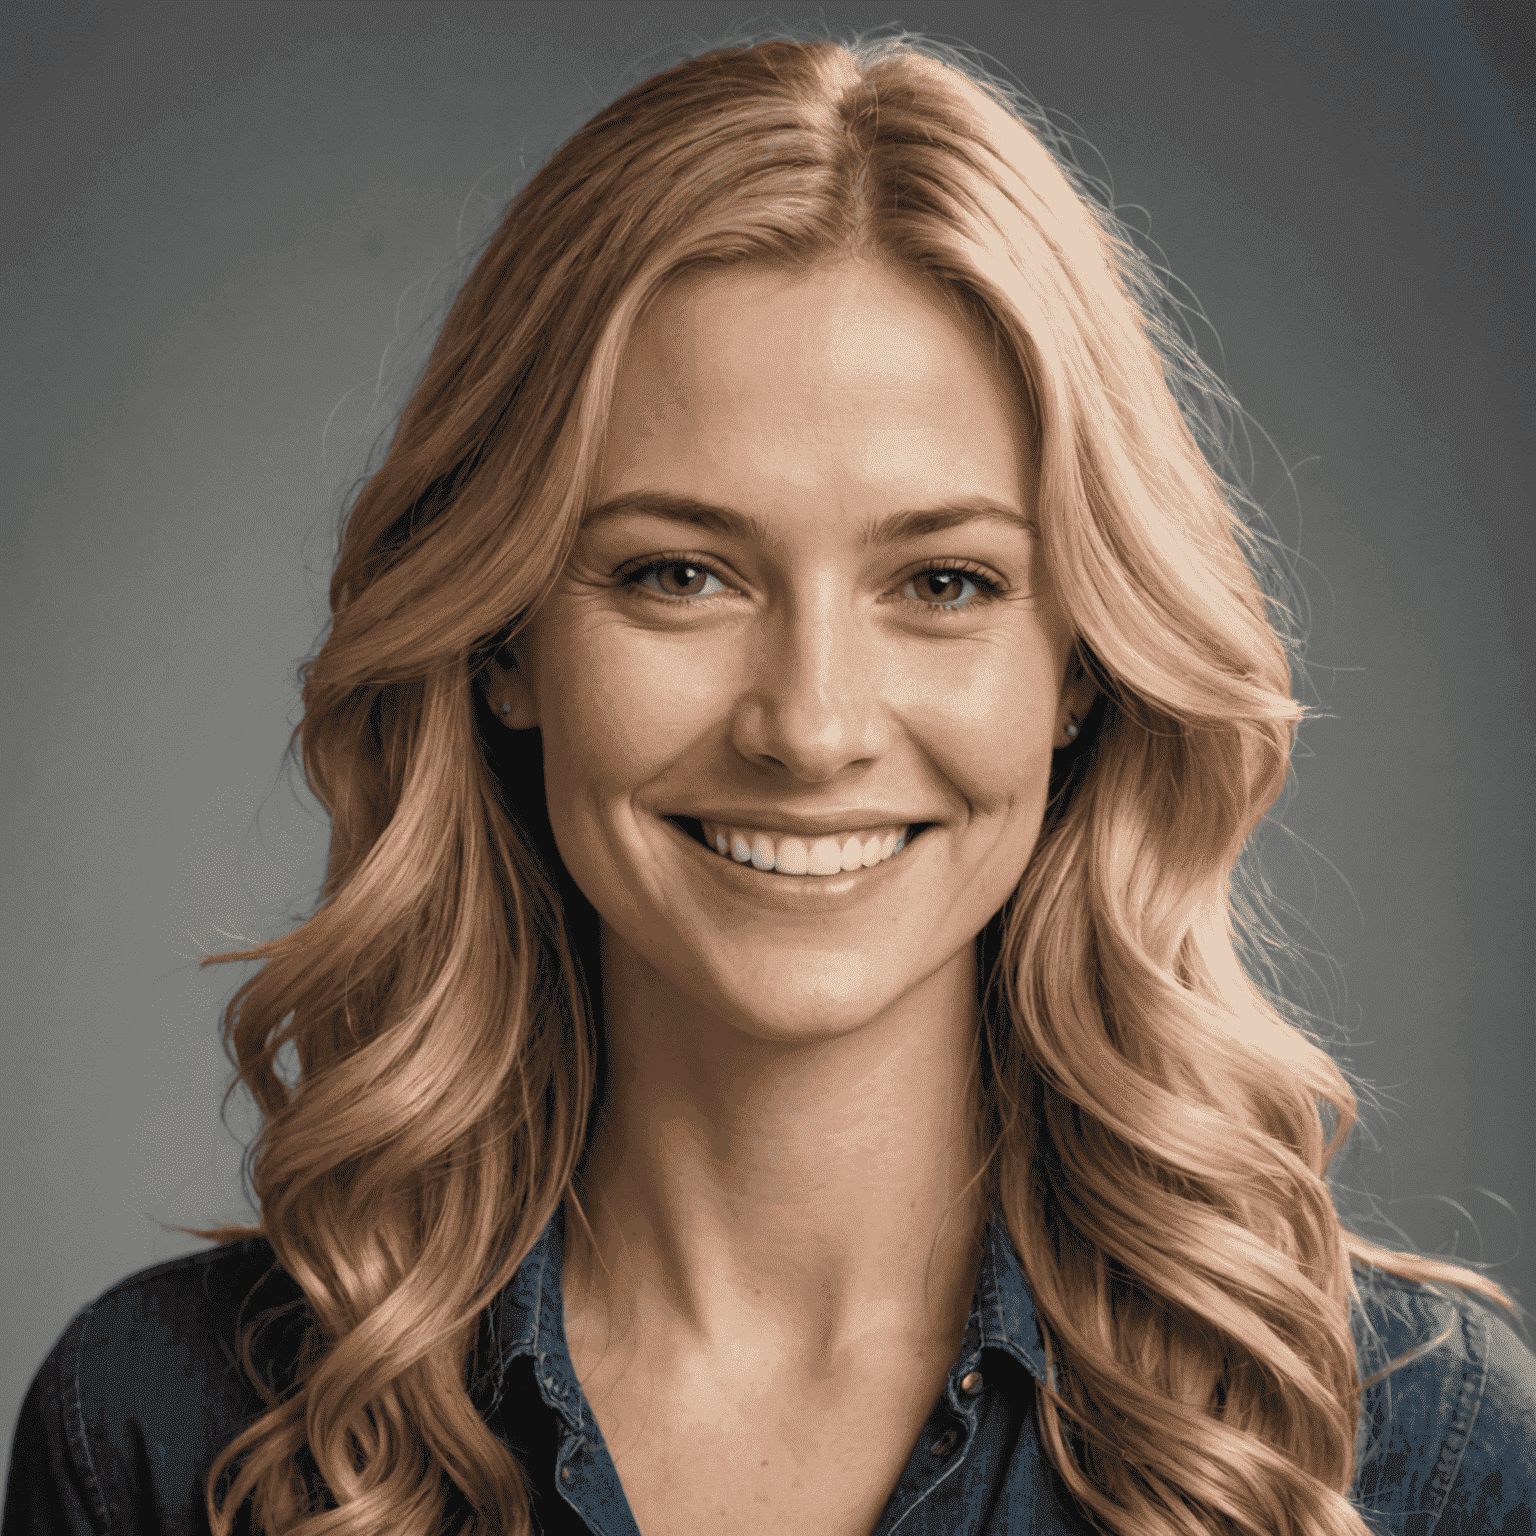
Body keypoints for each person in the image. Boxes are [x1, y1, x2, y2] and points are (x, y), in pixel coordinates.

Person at [4, 29, 1533, 1536]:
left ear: (1082, 663)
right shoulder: (171, 1432)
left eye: (942, 582)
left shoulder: (1415, 1450)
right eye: (679, 573)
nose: (810, 728)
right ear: (503, 643)